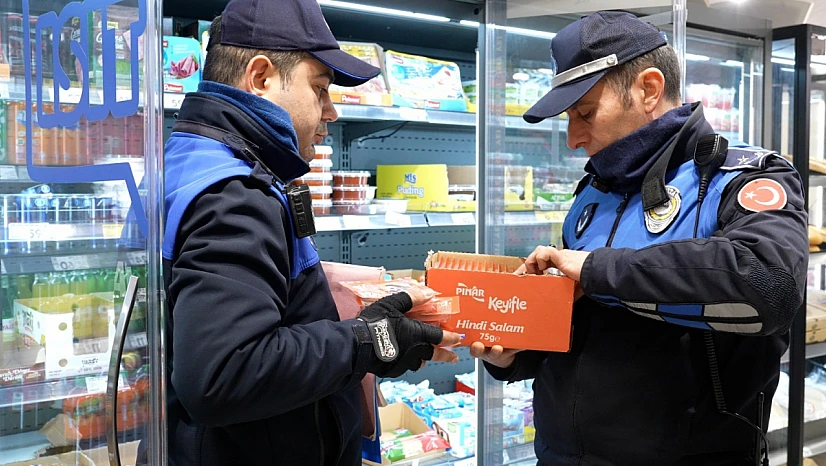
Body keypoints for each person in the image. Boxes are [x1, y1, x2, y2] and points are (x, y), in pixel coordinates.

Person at [472, 11, 807, 466]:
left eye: (585, 113)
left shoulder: (737, 179)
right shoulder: (593, 191)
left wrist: (595, 268)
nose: (573, 138)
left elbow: (770, 285)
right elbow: (578, 331)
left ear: (648, 89)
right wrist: (514, 353)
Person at [159, 0, 460, 464]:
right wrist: (368, 341)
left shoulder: (191, 156)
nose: (331, 111)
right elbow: (222, 374)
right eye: (319, 89)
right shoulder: (237, 195)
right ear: (261, 78)